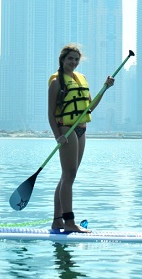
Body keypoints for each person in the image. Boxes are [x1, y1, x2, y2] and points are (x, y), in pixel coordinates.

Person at [48, 44, 114, 233]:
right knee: (69, 176)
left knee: (67, 176)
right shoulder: (56, 82)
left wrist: (105, 88)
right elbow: (51, 113)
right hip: (66, 131)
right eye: (70, 59)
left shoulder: (81, 79)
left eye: (76, 59)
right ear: (63, 59)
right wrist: (57, 135)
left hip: (81, 130)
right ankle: (69, 222)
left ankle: (57, 221)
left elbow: (89, 106)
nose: (74, 62)